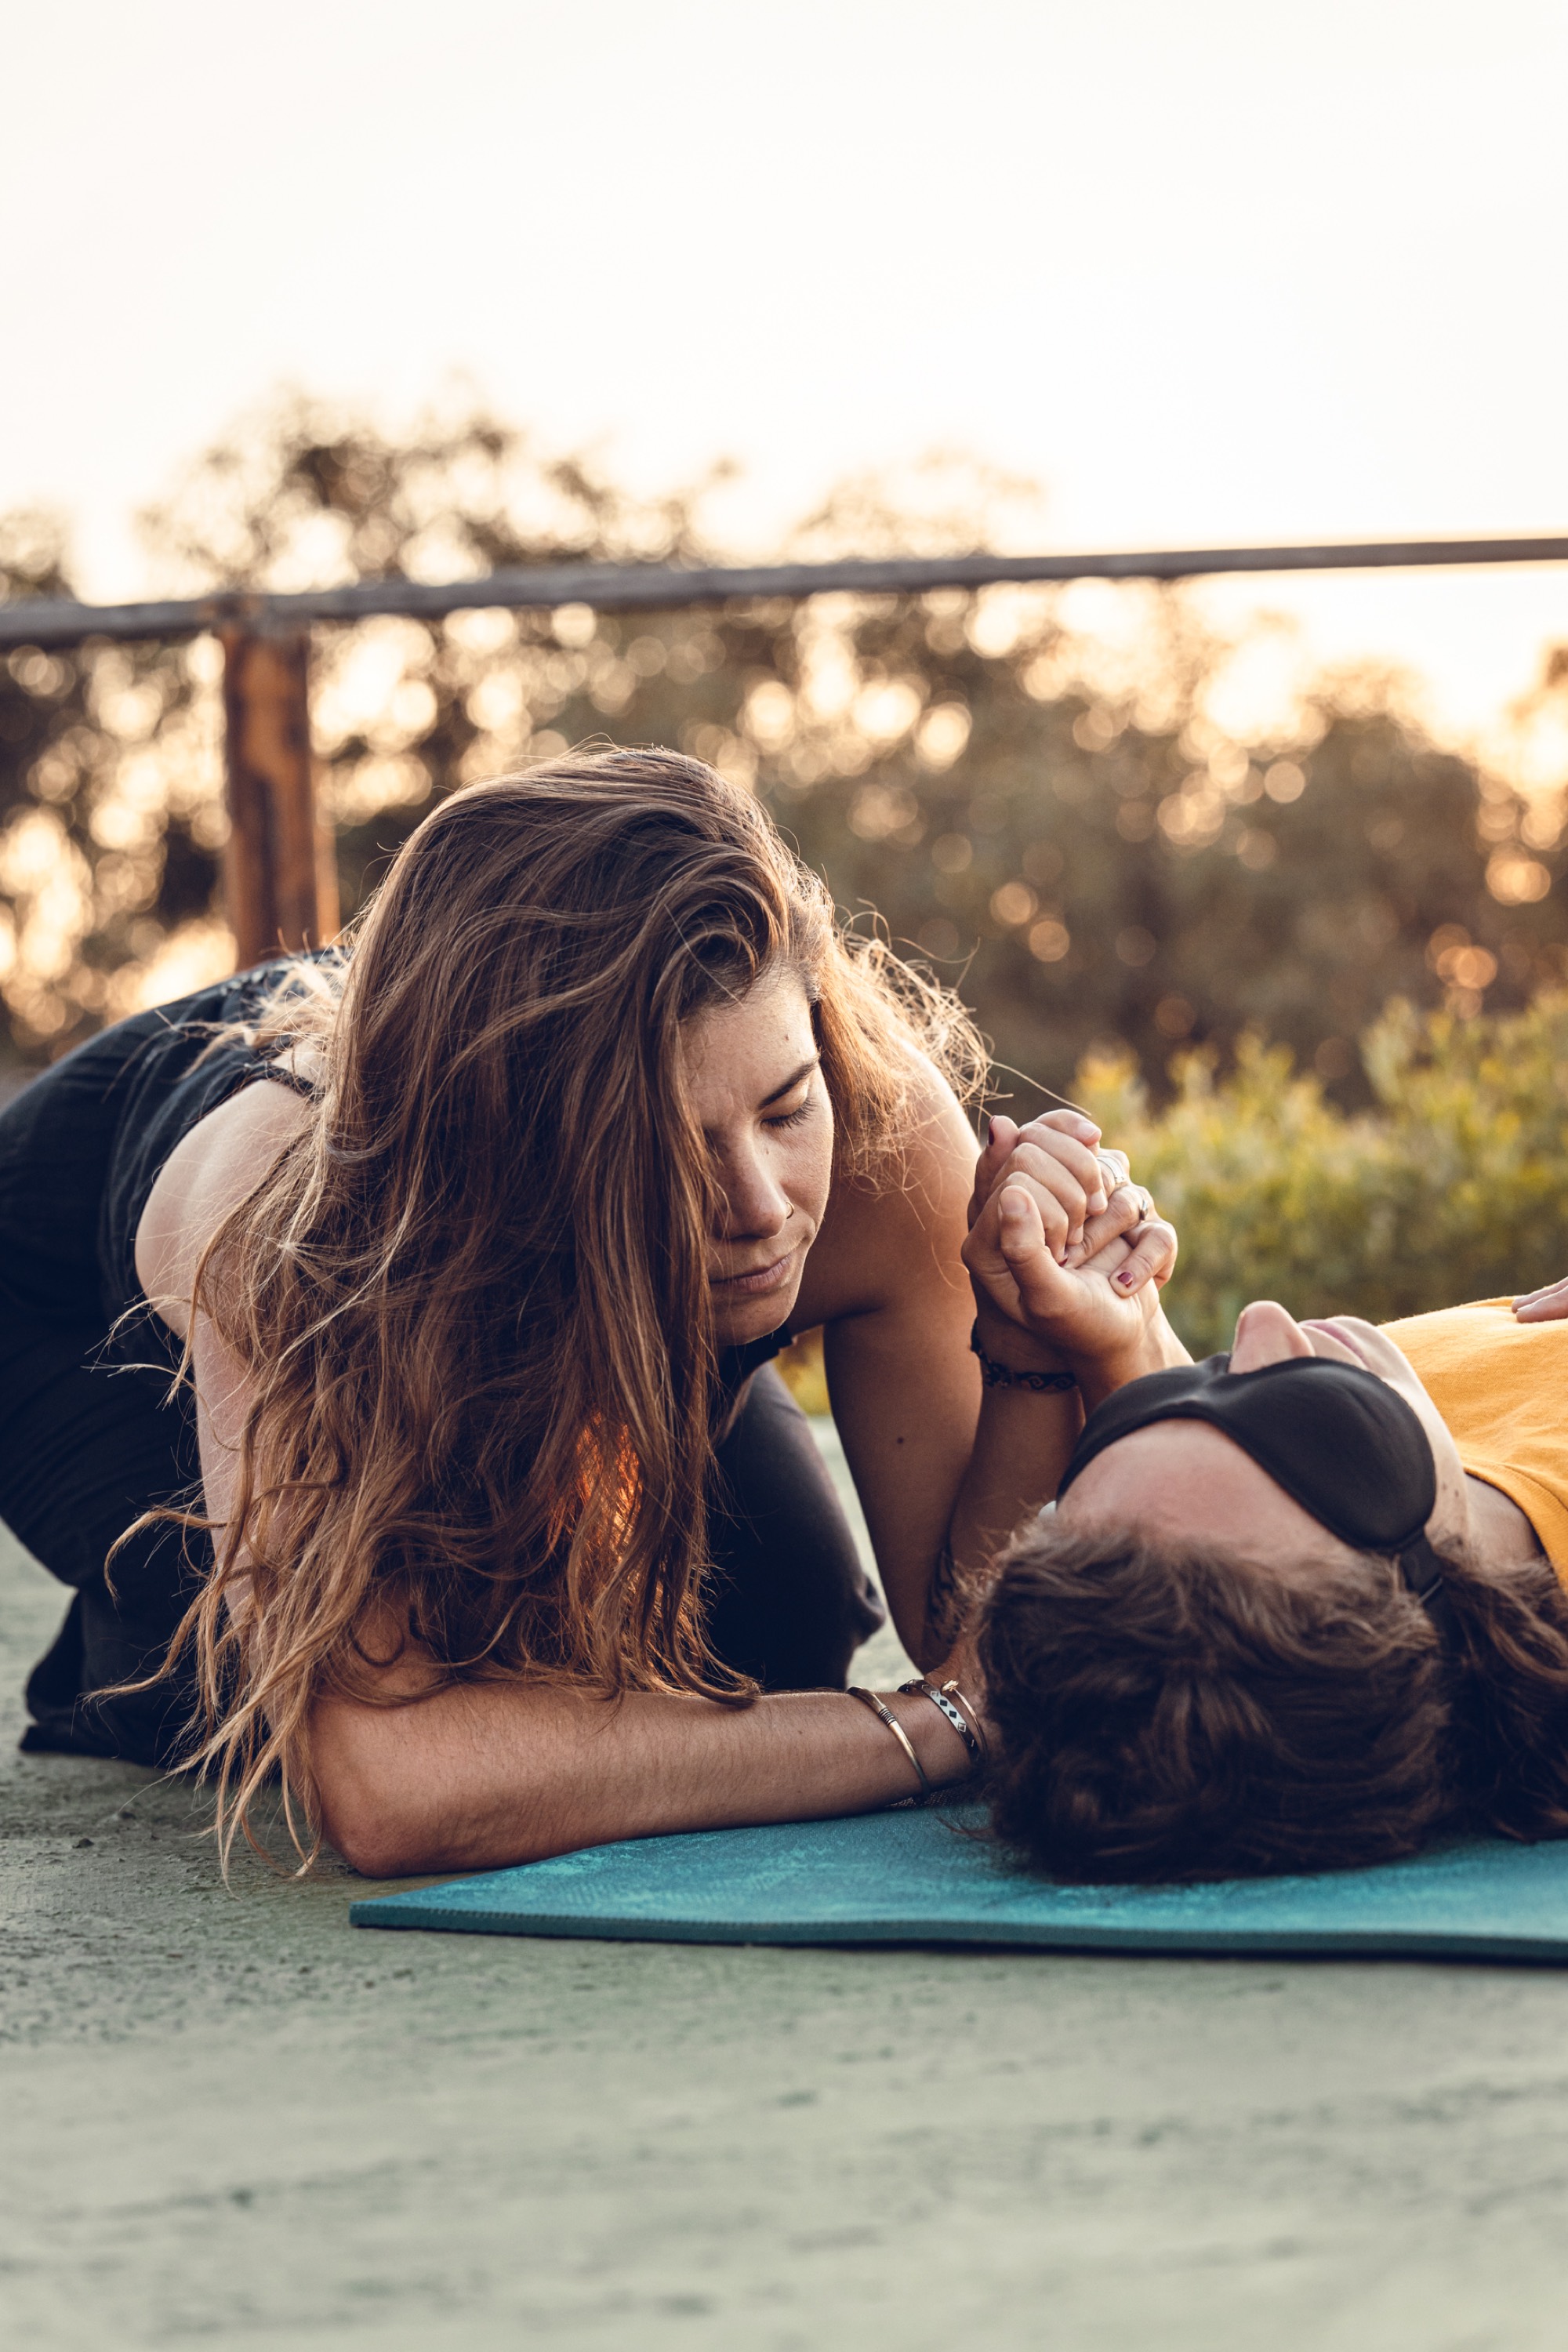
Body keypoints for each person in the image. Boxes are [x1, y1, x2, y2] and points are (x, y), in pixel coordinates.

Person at [0, 746, 1175, 1874]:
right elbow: (396, 1787)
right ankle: (142, 1638)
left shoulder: (872, 1127)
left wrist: (1025, 1354)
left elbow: (954, 1620)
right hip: (65, 1316)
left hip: (584, 1285)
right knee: (459, 1662)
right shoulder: (296, 1232)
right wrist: (929, 1731)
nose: (762, 1209)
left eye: (783, 1109)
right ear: (519, 1148)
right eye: (666, 1150)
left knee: (781, 1627)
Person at [960, 1160, 1568, 1882]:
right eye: (1317, 1422)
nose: (1263, 1325)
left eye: (1149, 1407)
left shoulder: (1399, 1460)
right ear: (1409, 1632)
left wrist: (1121, 1346)